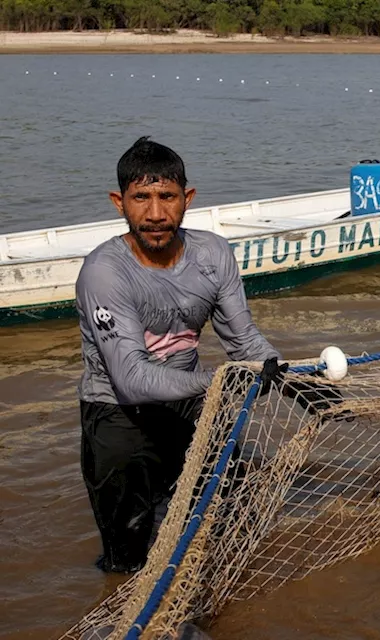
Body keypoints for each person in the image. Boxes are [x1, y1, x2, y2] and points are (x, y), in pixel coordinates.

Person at [75, 136, 291, 573]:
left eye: (167, 197)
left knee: (230, 515)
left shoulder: (212, 254)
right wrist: (220, 381)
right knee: (127, 559)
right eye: (141, 198)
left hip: (192, 406)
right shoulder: (103, 272)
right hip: (118, 413)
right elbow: (131, 377)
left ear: (187, 198)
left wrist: (293, 382)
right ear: (119, 202)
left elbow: (245, 341)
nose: (155, 214)